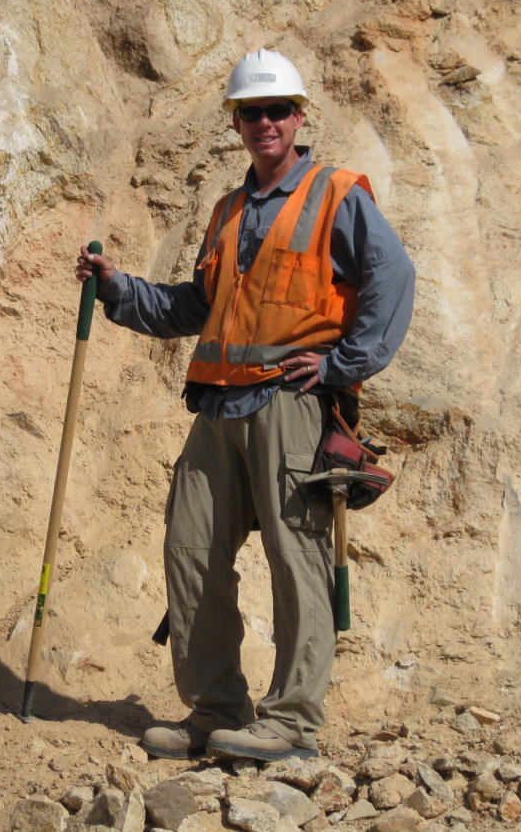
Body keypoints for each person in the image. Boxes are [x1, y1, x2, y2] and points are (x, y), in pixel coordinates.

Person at [75, 49, 415, 762]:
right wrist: (115, 288)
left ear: (298, 117)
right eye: (251, 112)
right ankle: (215, 710)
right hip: (221, 409)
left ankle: (290, 725)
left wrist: (341, 365)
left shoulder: (336, 192)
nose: (265, 122)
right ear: (235, 122)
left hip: (294, 404)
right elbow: (195, 307)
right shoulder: (229, 210)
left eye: (277, 110)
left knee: (299, 561)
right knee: (190, 550)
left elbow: (392, 275)